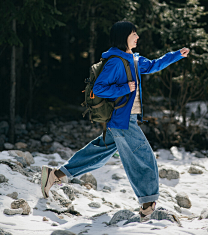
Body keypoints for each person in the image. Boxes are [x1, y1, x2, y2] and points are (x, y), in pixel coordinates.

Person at [41, 20, 190, 219]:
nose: (137, 37)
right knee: (144, 156)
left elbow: (154, 65)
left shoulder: (133, 59)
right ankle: (148, 202)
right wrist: (124, 89)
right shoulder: (115, 61)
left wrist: (176, 55)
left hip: (125, 118)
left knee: (98, 152)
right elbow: (98, 88)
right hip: (122, 120)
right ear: (123, 37)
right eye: (134, 34)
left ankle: (56, 175)